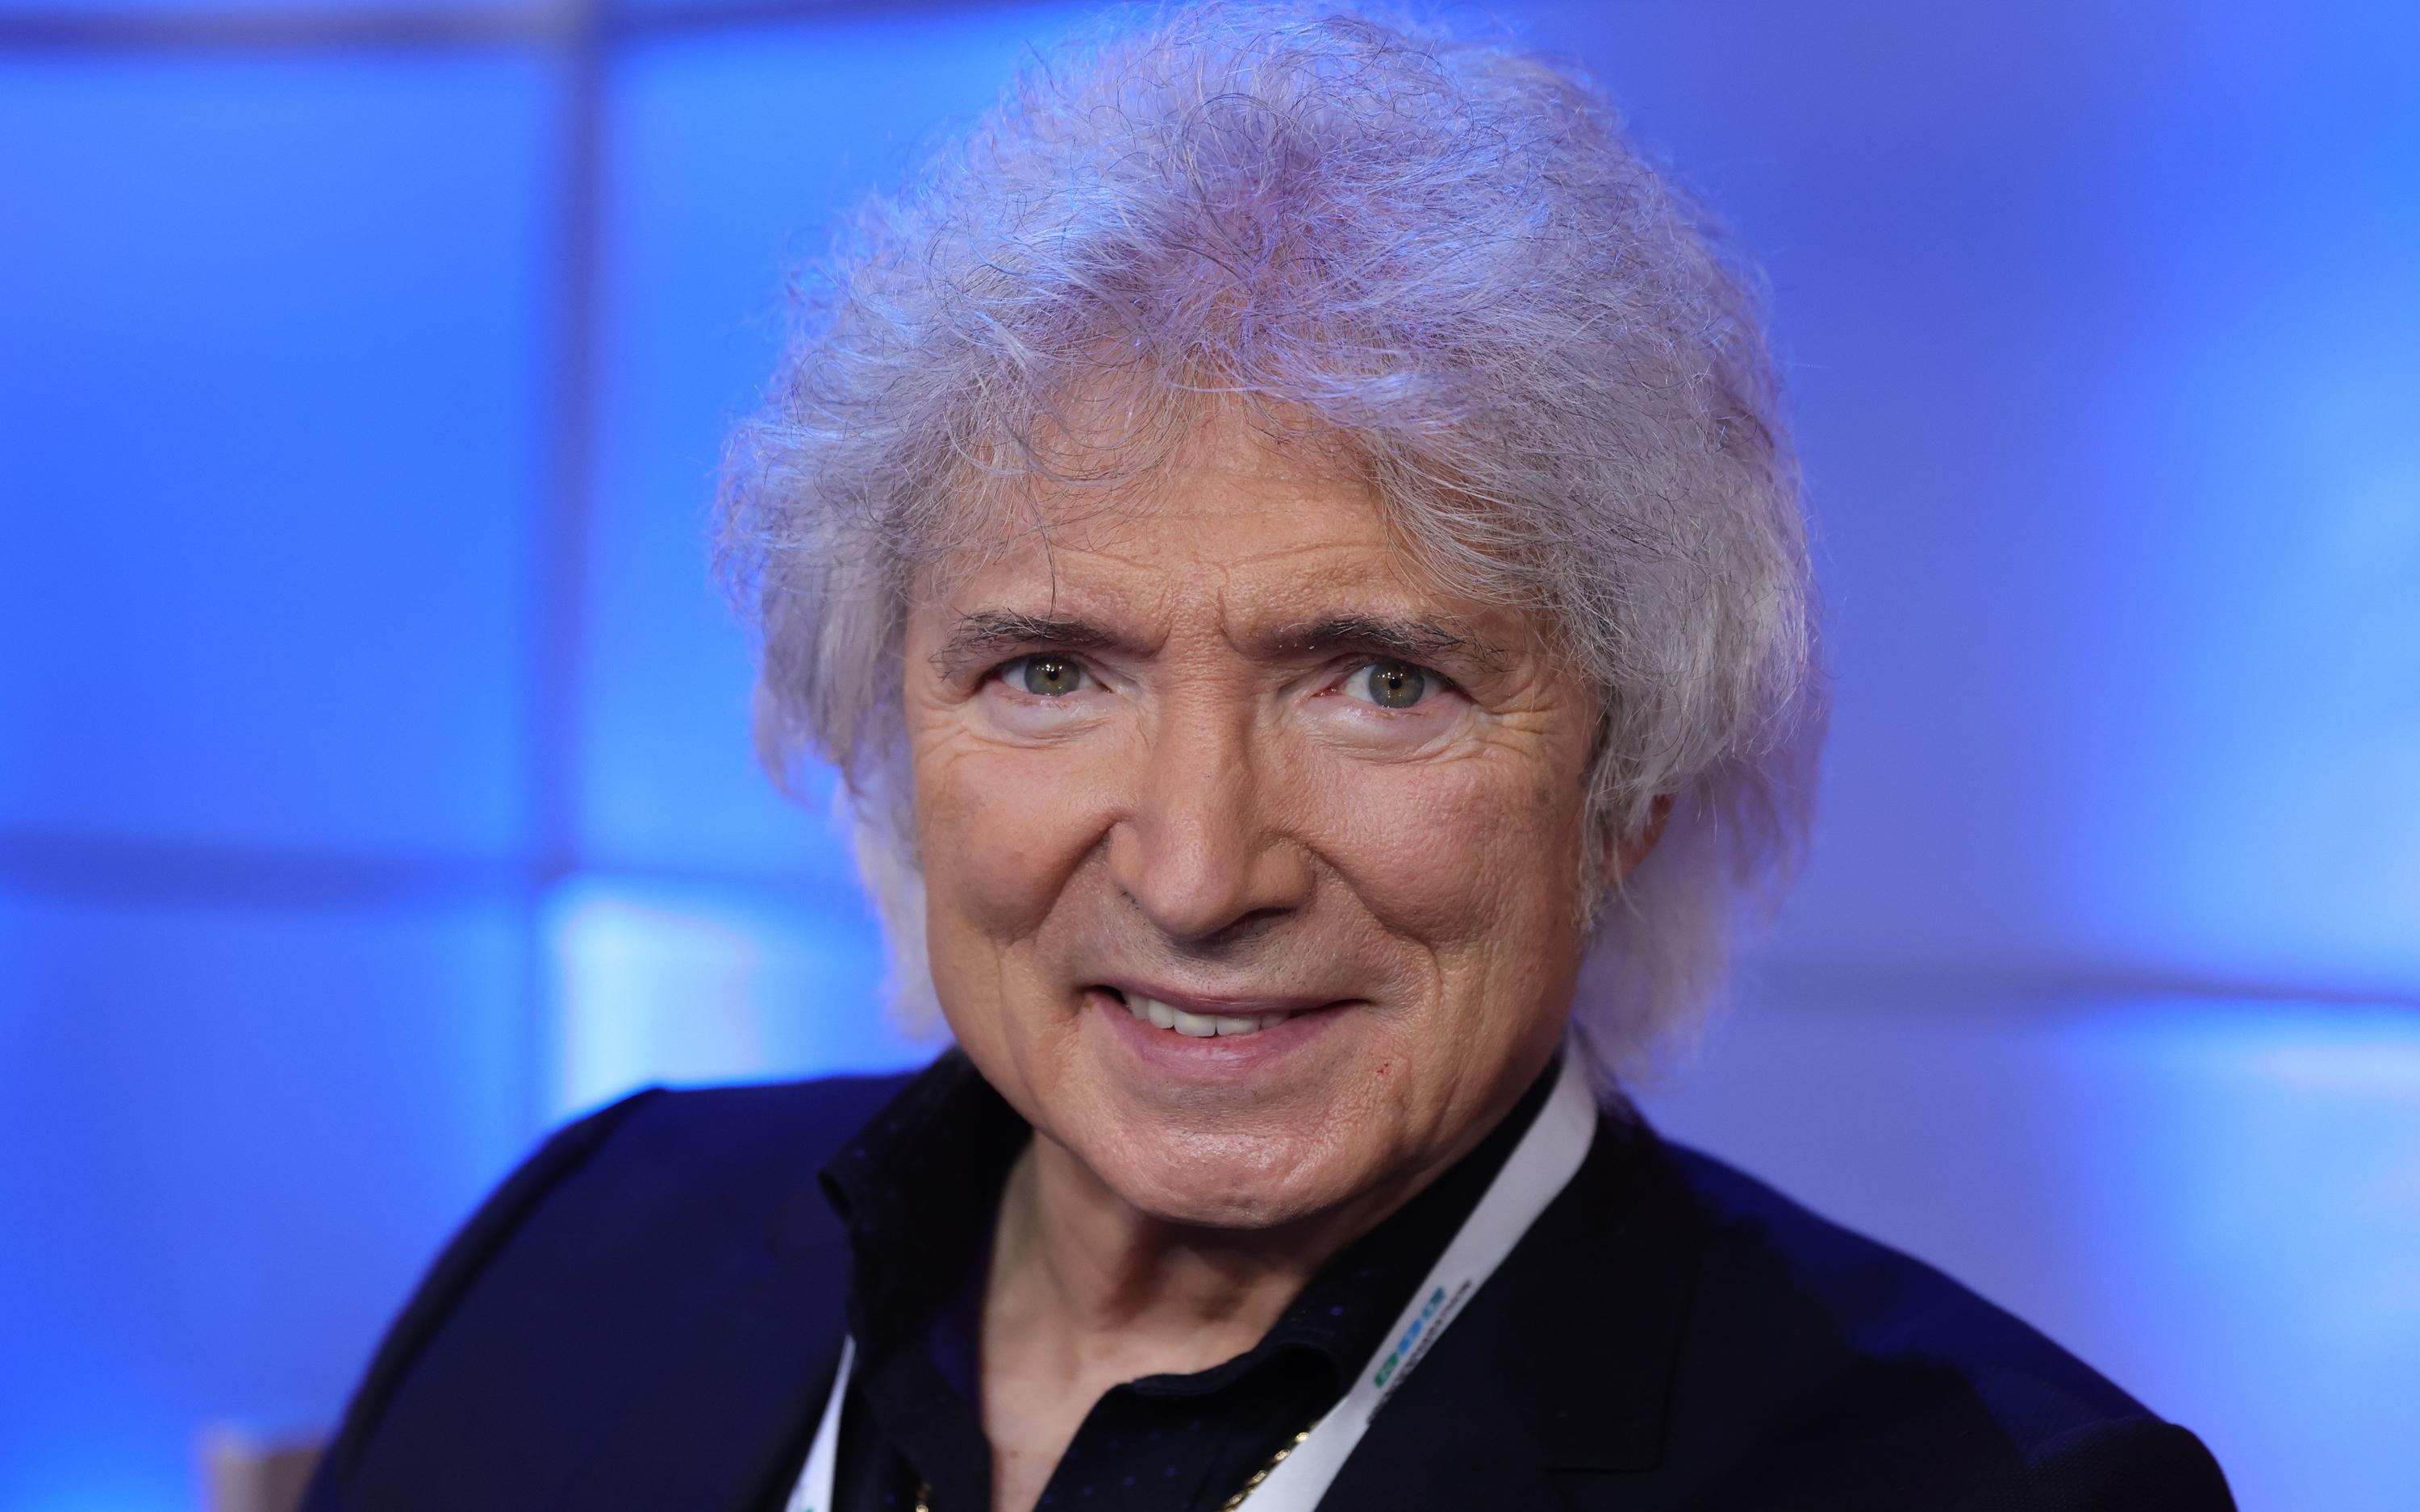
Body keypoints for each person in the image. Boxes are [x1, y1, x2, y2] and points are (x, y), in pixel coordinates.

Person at [301, 4, 2235, 1509]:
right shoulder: (578, 1246)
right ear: (891, 731)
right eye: (1050, 668)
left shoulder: (1973, 1484)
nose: (1199, 869)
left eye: (1381, 681)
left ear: (1631, 779)